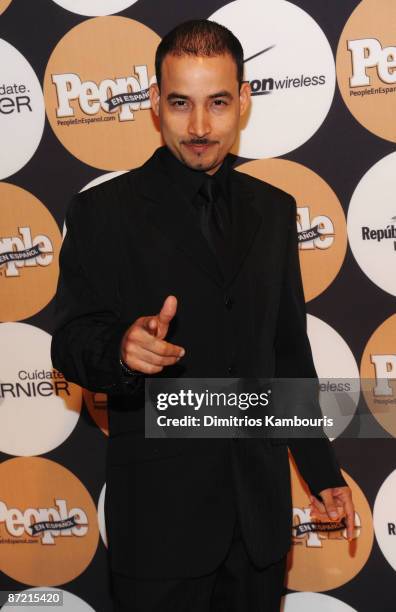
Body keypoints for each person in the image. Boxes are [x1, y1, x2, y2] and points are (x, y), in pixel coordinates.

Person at [51, 19, 355, 612]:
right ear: (154, 105)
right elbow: (69, 340)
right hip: (160, 528)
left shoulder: (273, 210)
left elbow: (288, 351)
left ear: (243, 100)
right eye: (180, 103)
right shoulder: (102, 213)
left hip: (258, 526)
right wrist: (119, 349)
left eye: (217, 102)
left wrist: (321, 472)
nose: (198, 127)